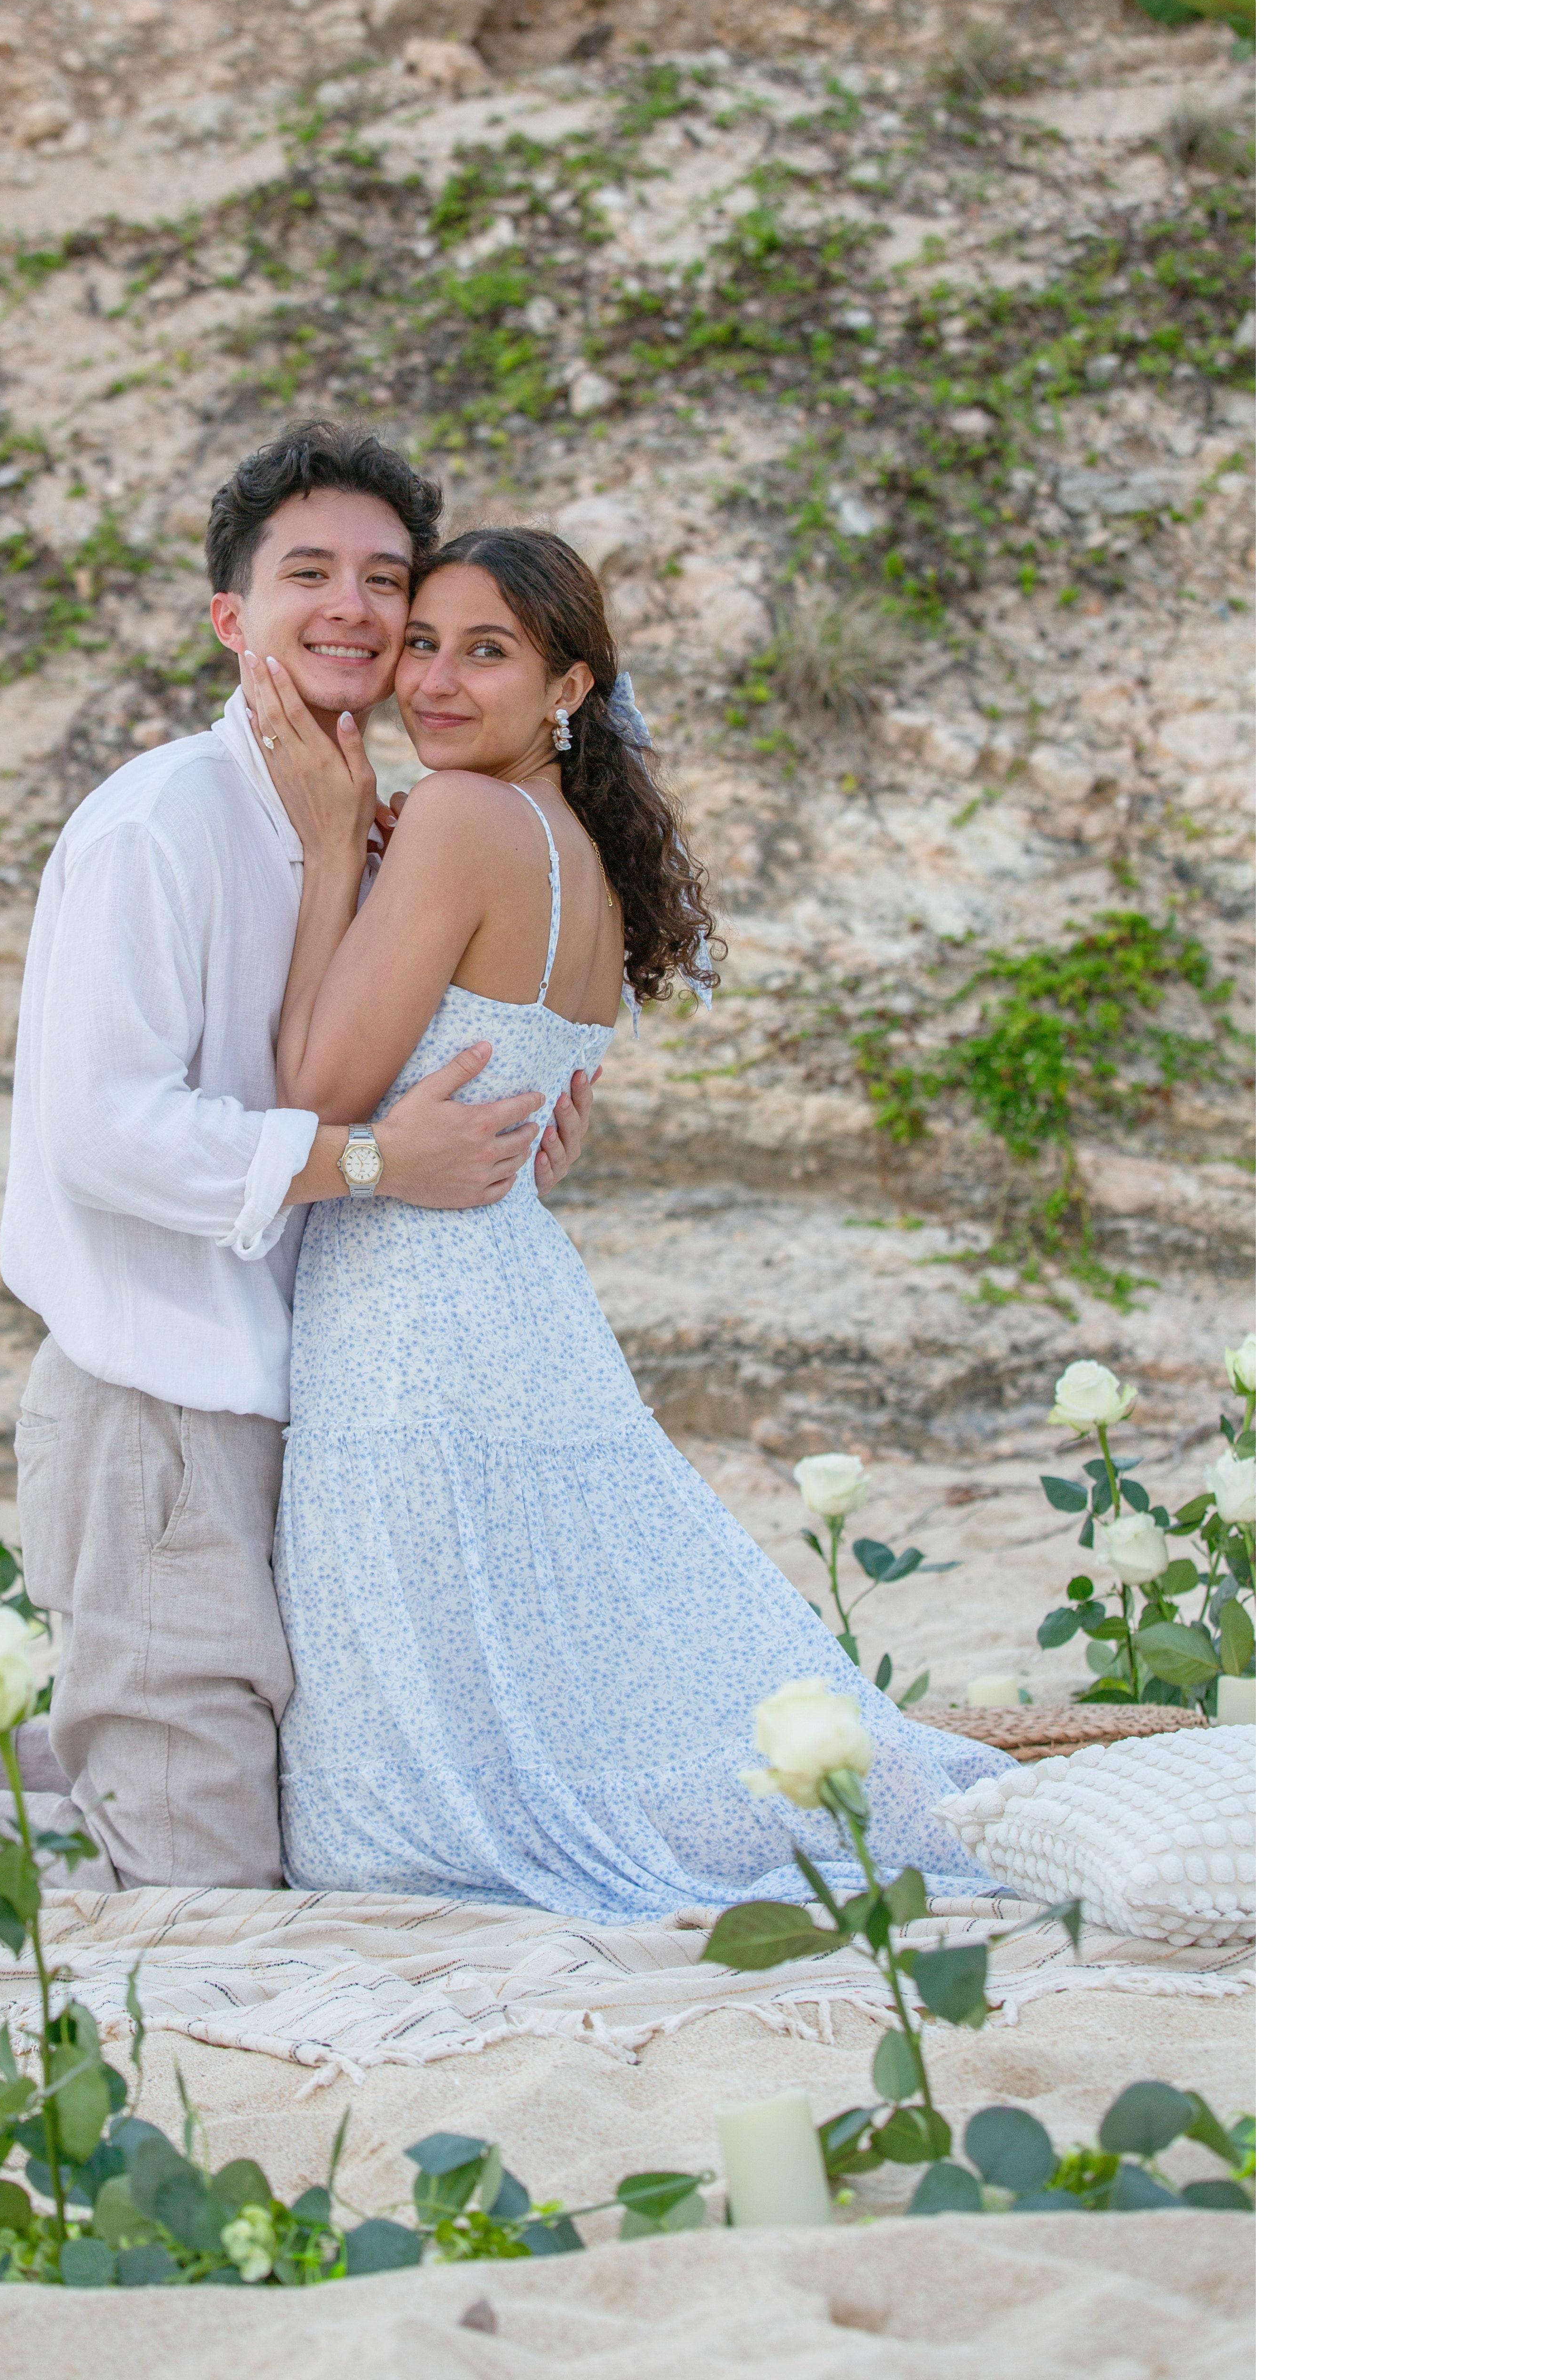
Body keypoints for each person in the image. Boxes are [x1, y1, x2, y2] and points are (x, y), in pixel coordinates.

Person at [0, 424, 593, 1930]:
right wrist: (372, 1158)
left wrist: (510, 1118)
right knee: (192, 1876)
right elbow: (106, 1127)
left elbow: (371, 1062)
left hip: (308, 1403)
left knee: (297, 1790)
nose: (353, 608)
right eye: (309, 574)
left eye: (384, 579)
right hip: (160, 1402)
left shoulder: (365, 828)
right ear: (231, 617)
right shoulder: (161, 821)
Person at [242, 524, 1012, 1926]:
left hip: (411, 1324)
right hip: (513, 1294)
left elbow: (314, 1095)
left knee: (394, 1810)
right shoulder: (577, 850)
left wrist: (326, 851)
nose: (435, 682)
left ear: (570, 687)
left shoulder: (463, 820)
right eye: (425, 644)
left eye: (487, 652)